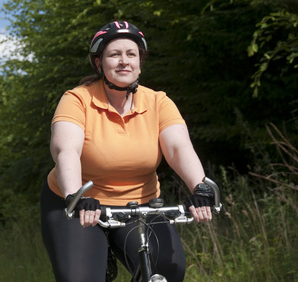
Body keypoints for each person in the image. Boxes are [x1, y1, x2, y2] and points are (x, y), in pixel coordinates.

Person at [40, 21, 215, 282]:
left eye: (131, 54)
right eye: (114, 54)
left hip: (139, 204)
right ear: (99, 63)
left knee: (167, 270)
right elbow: (66, 150)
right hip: (80, 204)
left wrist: (200, 187)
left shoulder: (158, 101)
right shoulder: (77, 99)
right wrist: (75, 195)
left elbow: (178, 148)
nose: (124, 61)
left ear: (140, 62)